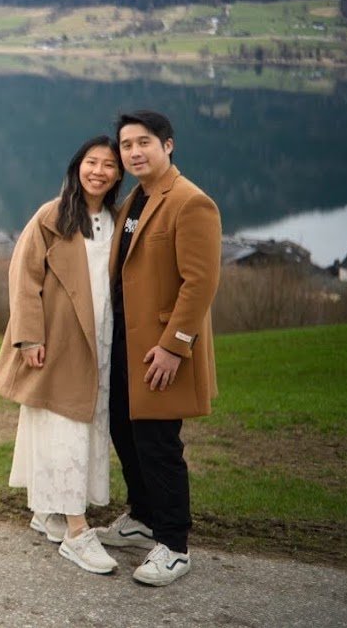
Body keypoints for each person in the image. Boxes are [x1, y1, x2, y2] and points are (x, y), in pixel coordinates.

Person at [97, 110, 220, 587]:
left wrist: (174, 347)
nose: (133, 152)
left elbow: (201, 281)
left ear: (168, 145)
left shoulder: (191, 203)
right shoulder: (136, 199)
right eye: (127, 145)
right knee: (123, 430)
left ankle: (174, 545)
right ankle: (144, 517)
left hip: (161, 349)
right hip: (127, 342)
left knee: (158, 443)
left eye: (144, 142)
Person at [0, 136, 123, 574]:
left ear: (119, 174)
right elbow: (23, 274)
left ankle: (48, 511)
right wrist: (29, 336)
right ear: (77, 166)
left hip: (101, 342)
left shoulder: (115, 219)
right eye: (91, 162)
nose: (99, 171)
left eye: (109, 165)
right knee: (64, 426)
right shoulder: (53, 215)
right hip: (60, 340)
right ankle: (77, 532)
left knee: (82, 427)